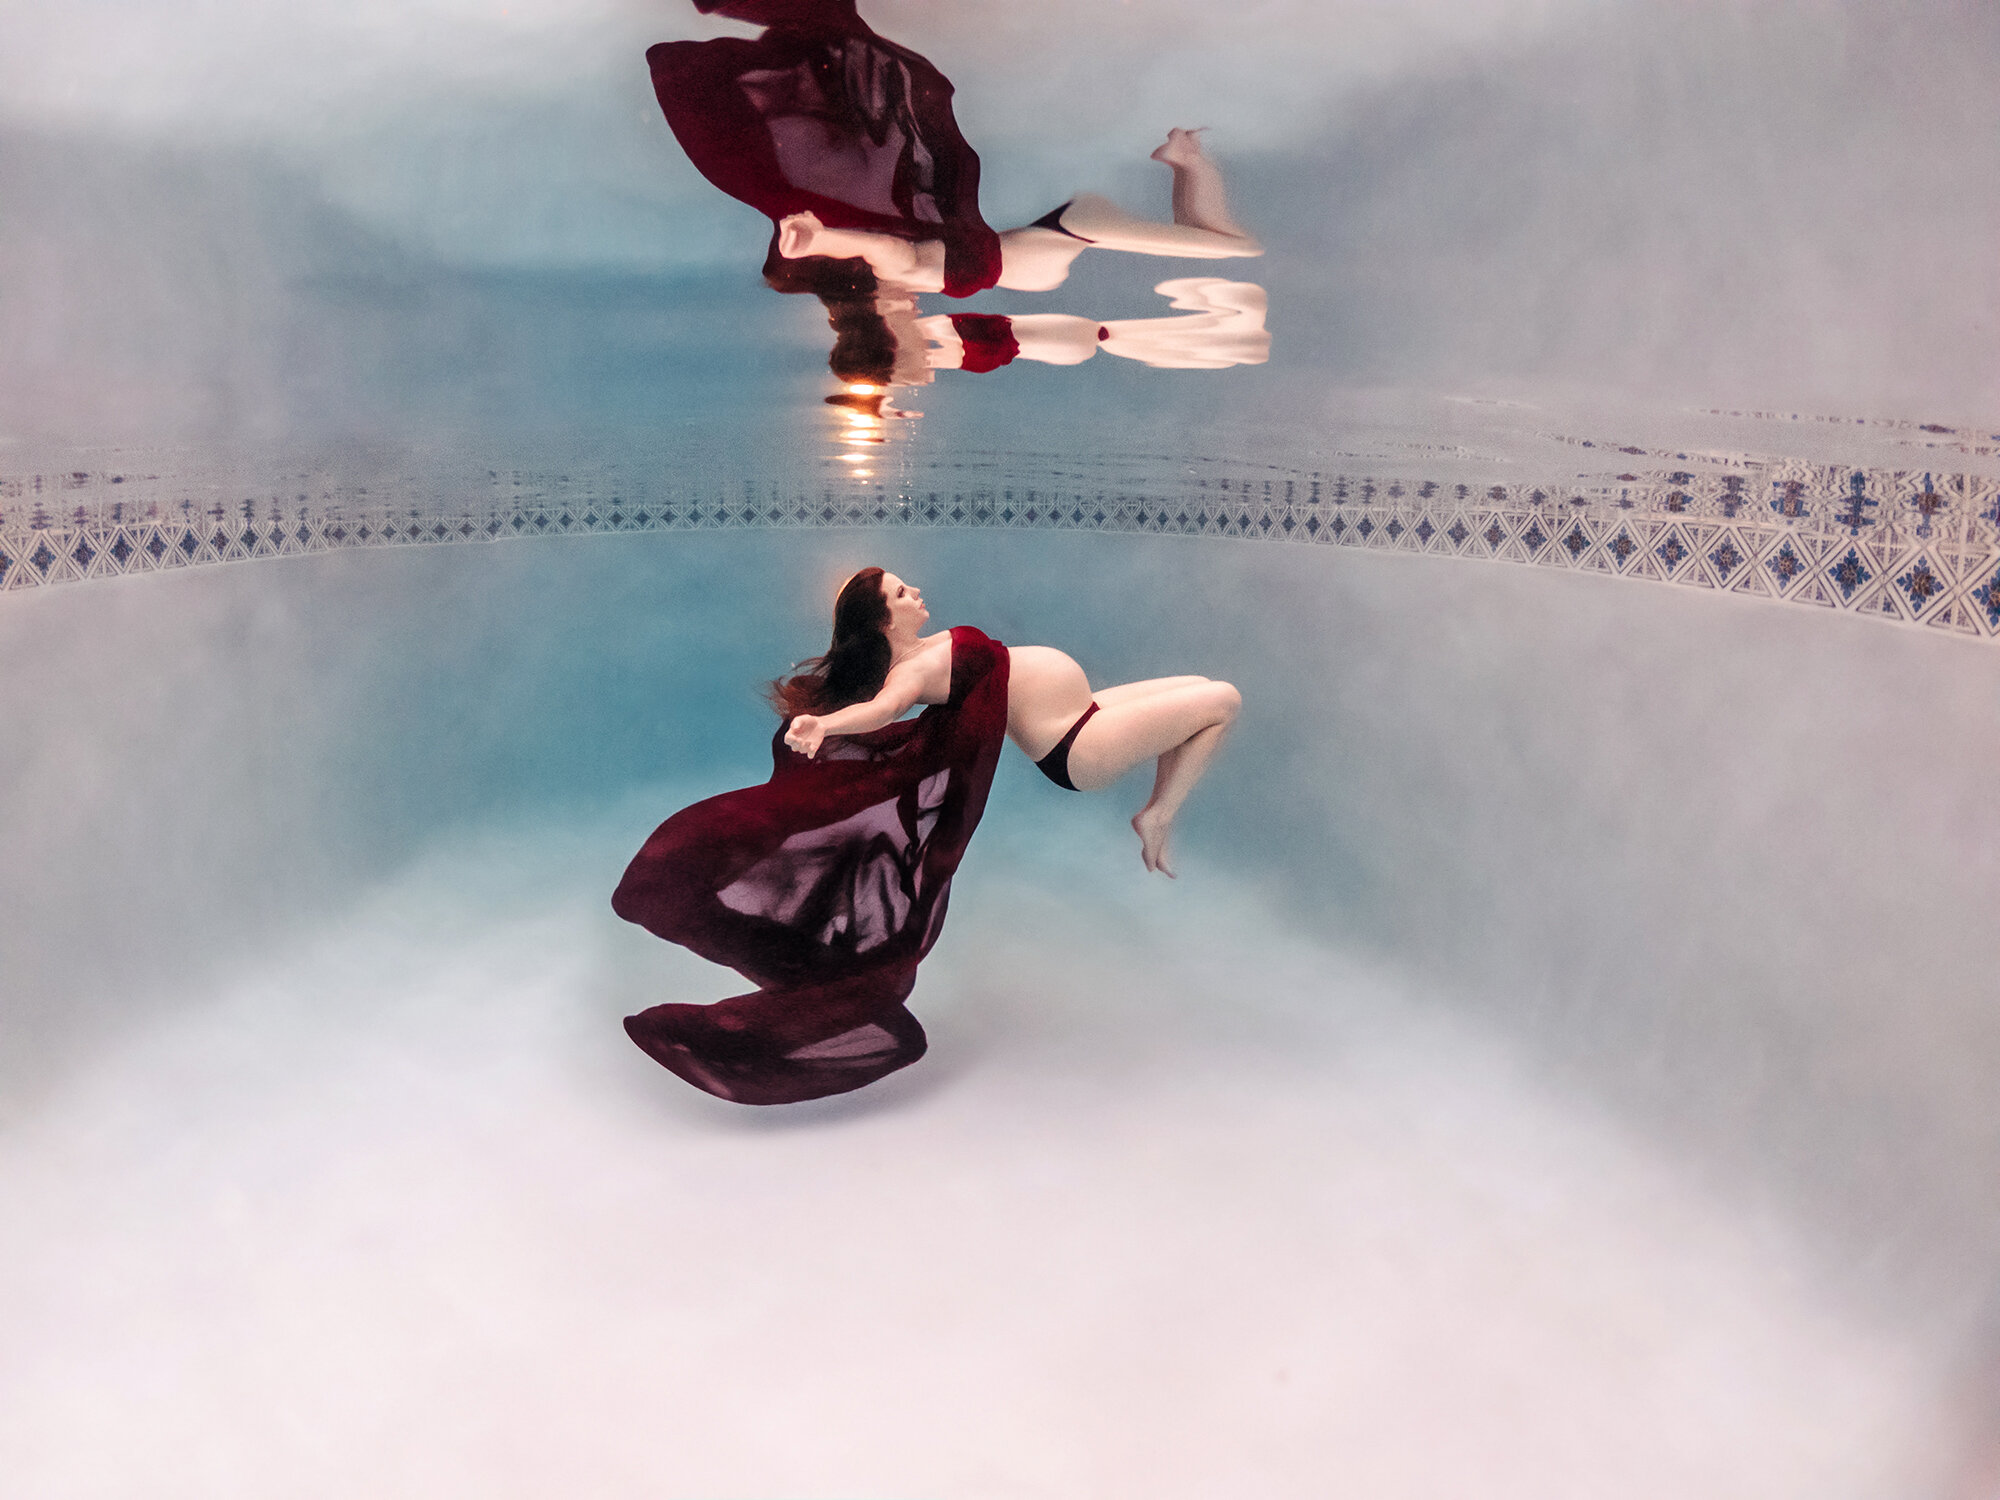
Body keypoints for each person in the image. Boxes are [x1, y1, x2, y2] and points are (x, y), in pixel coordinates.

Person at [611, 567, 1240, 1104]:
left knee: (1196, 686)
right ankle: (1159, 814)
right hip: (1078, 747)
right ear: (885, 621)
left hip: (1084, 709)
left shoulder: (923, 649)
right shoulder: (910, 675)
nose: (915, 592)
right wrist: (825, 728)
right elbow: (881, 711)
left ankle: (1161, 806)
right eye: (900, 593)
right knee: (1223, 701)